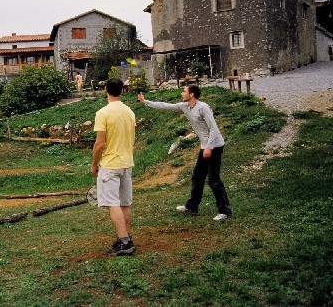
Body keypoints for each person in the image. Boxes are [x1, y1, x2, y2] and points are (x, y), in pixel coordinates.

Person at [138, 85, 232, 221]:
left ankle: (225, 211)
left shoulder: (203, 107)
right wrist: (146, 102)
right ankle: (192, 206)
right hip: (205, 146)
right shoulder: (185, 106)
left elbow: (214, 129)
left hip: (215, 146)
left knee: (213, 180)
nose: (182, 93)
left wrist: (209, 147)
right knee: (197, 176)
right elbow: (166, 106)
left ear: (192, 94)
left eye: (185, 91)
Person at [92, 78, 137, 256]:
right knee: (125, 203)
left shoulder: (103, 113)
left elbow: (99, 145)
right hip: (126, 163)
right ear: (122, 91)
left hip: (110, 165)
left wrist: (94, 164)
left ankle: (124, 242)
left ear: (105, 90)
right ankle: (126, 237)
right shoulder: (130, 112)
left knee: (112, 204)